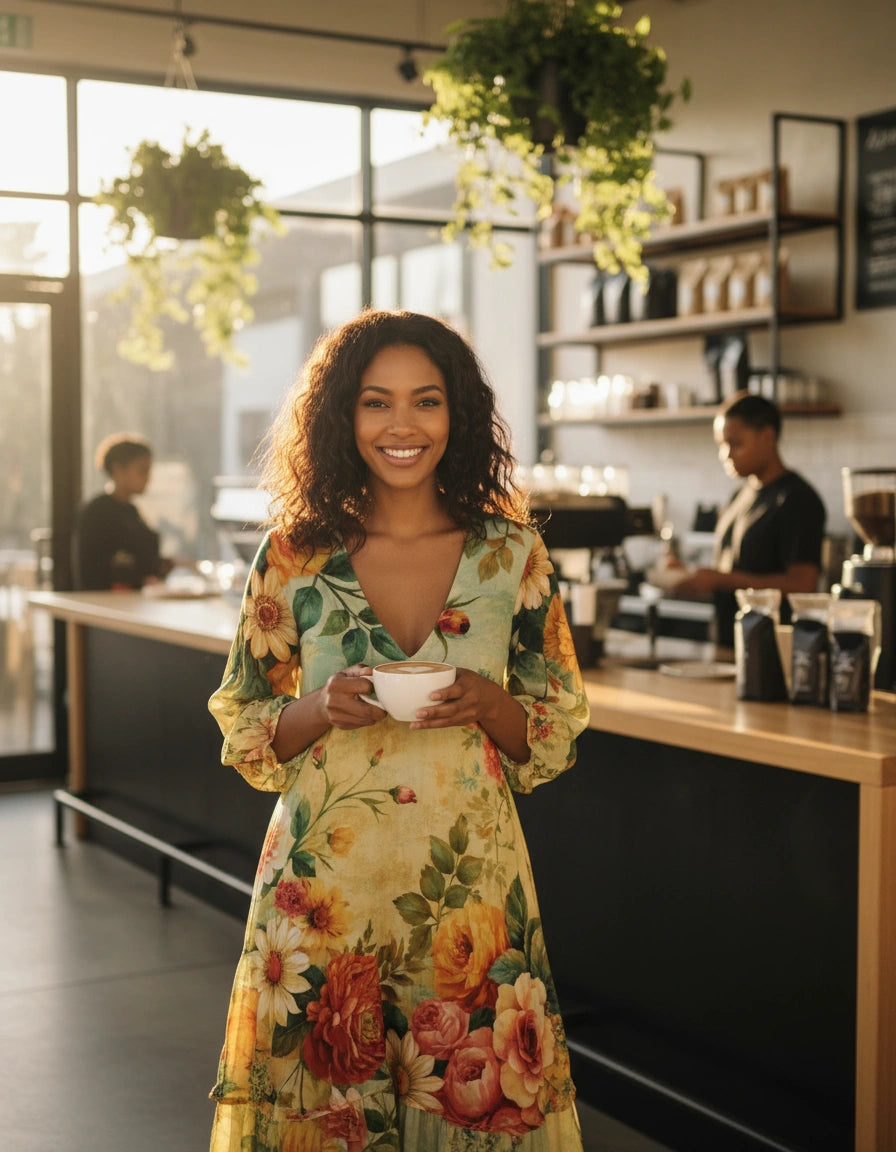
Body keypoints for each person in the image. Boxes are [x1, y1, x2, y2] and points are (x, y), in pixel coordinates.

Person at [207, 310, 590, 1152]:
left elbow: (553, 723)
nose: (403, 425)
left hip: (472, 894)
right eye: (377, 403)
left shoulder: (510, 554)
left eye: (427, 401)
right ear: (344, 417)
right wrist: (320, 706)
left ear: (458, 417)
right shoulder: (294, 554)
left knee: (475, 1100)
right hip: (322, 890)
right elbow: (244, 718)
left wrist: (490, 704)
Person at [668, 391, 826, 648]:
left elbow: (802, 585)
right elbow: (734, 566)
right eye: (721, 445)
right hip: (728, 642)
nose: (726, 455)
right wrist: (689, 574)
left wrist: (719, 579)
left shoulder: (797, 500)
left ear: (768, 437)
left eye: (735, 443)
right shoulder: (738, 496)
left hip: (771, 649)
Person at [72, 433, 173, 590]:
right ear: (118, 469)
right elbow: (94, 573)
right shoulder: (97, 513)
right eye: (142, 471)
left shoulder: (132, 511)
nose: (148, 478)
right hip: (107, 605)